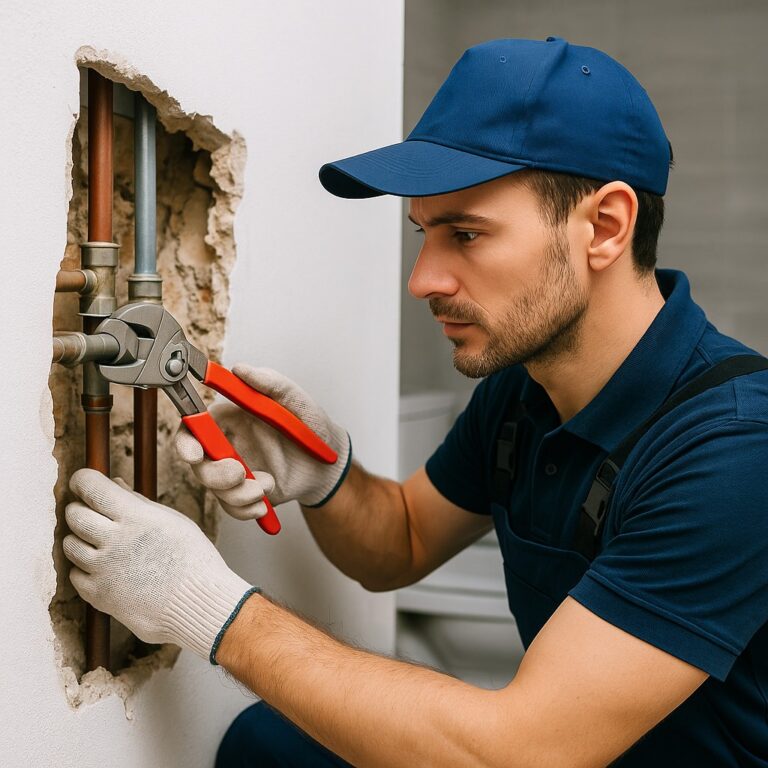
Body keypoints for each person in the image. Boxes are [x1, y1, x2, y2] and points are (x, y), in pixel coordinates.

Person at [63, 37, 768, 767]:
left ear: (606, 226)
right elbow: (398, 543)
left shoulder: (737, 451)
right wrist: (326, 474)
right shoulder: (525, 387)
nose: (424, 279)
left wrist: (208, 610)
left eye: (467, 234)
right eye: (425, 234)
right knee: (264, 747)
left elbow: (522, 754)